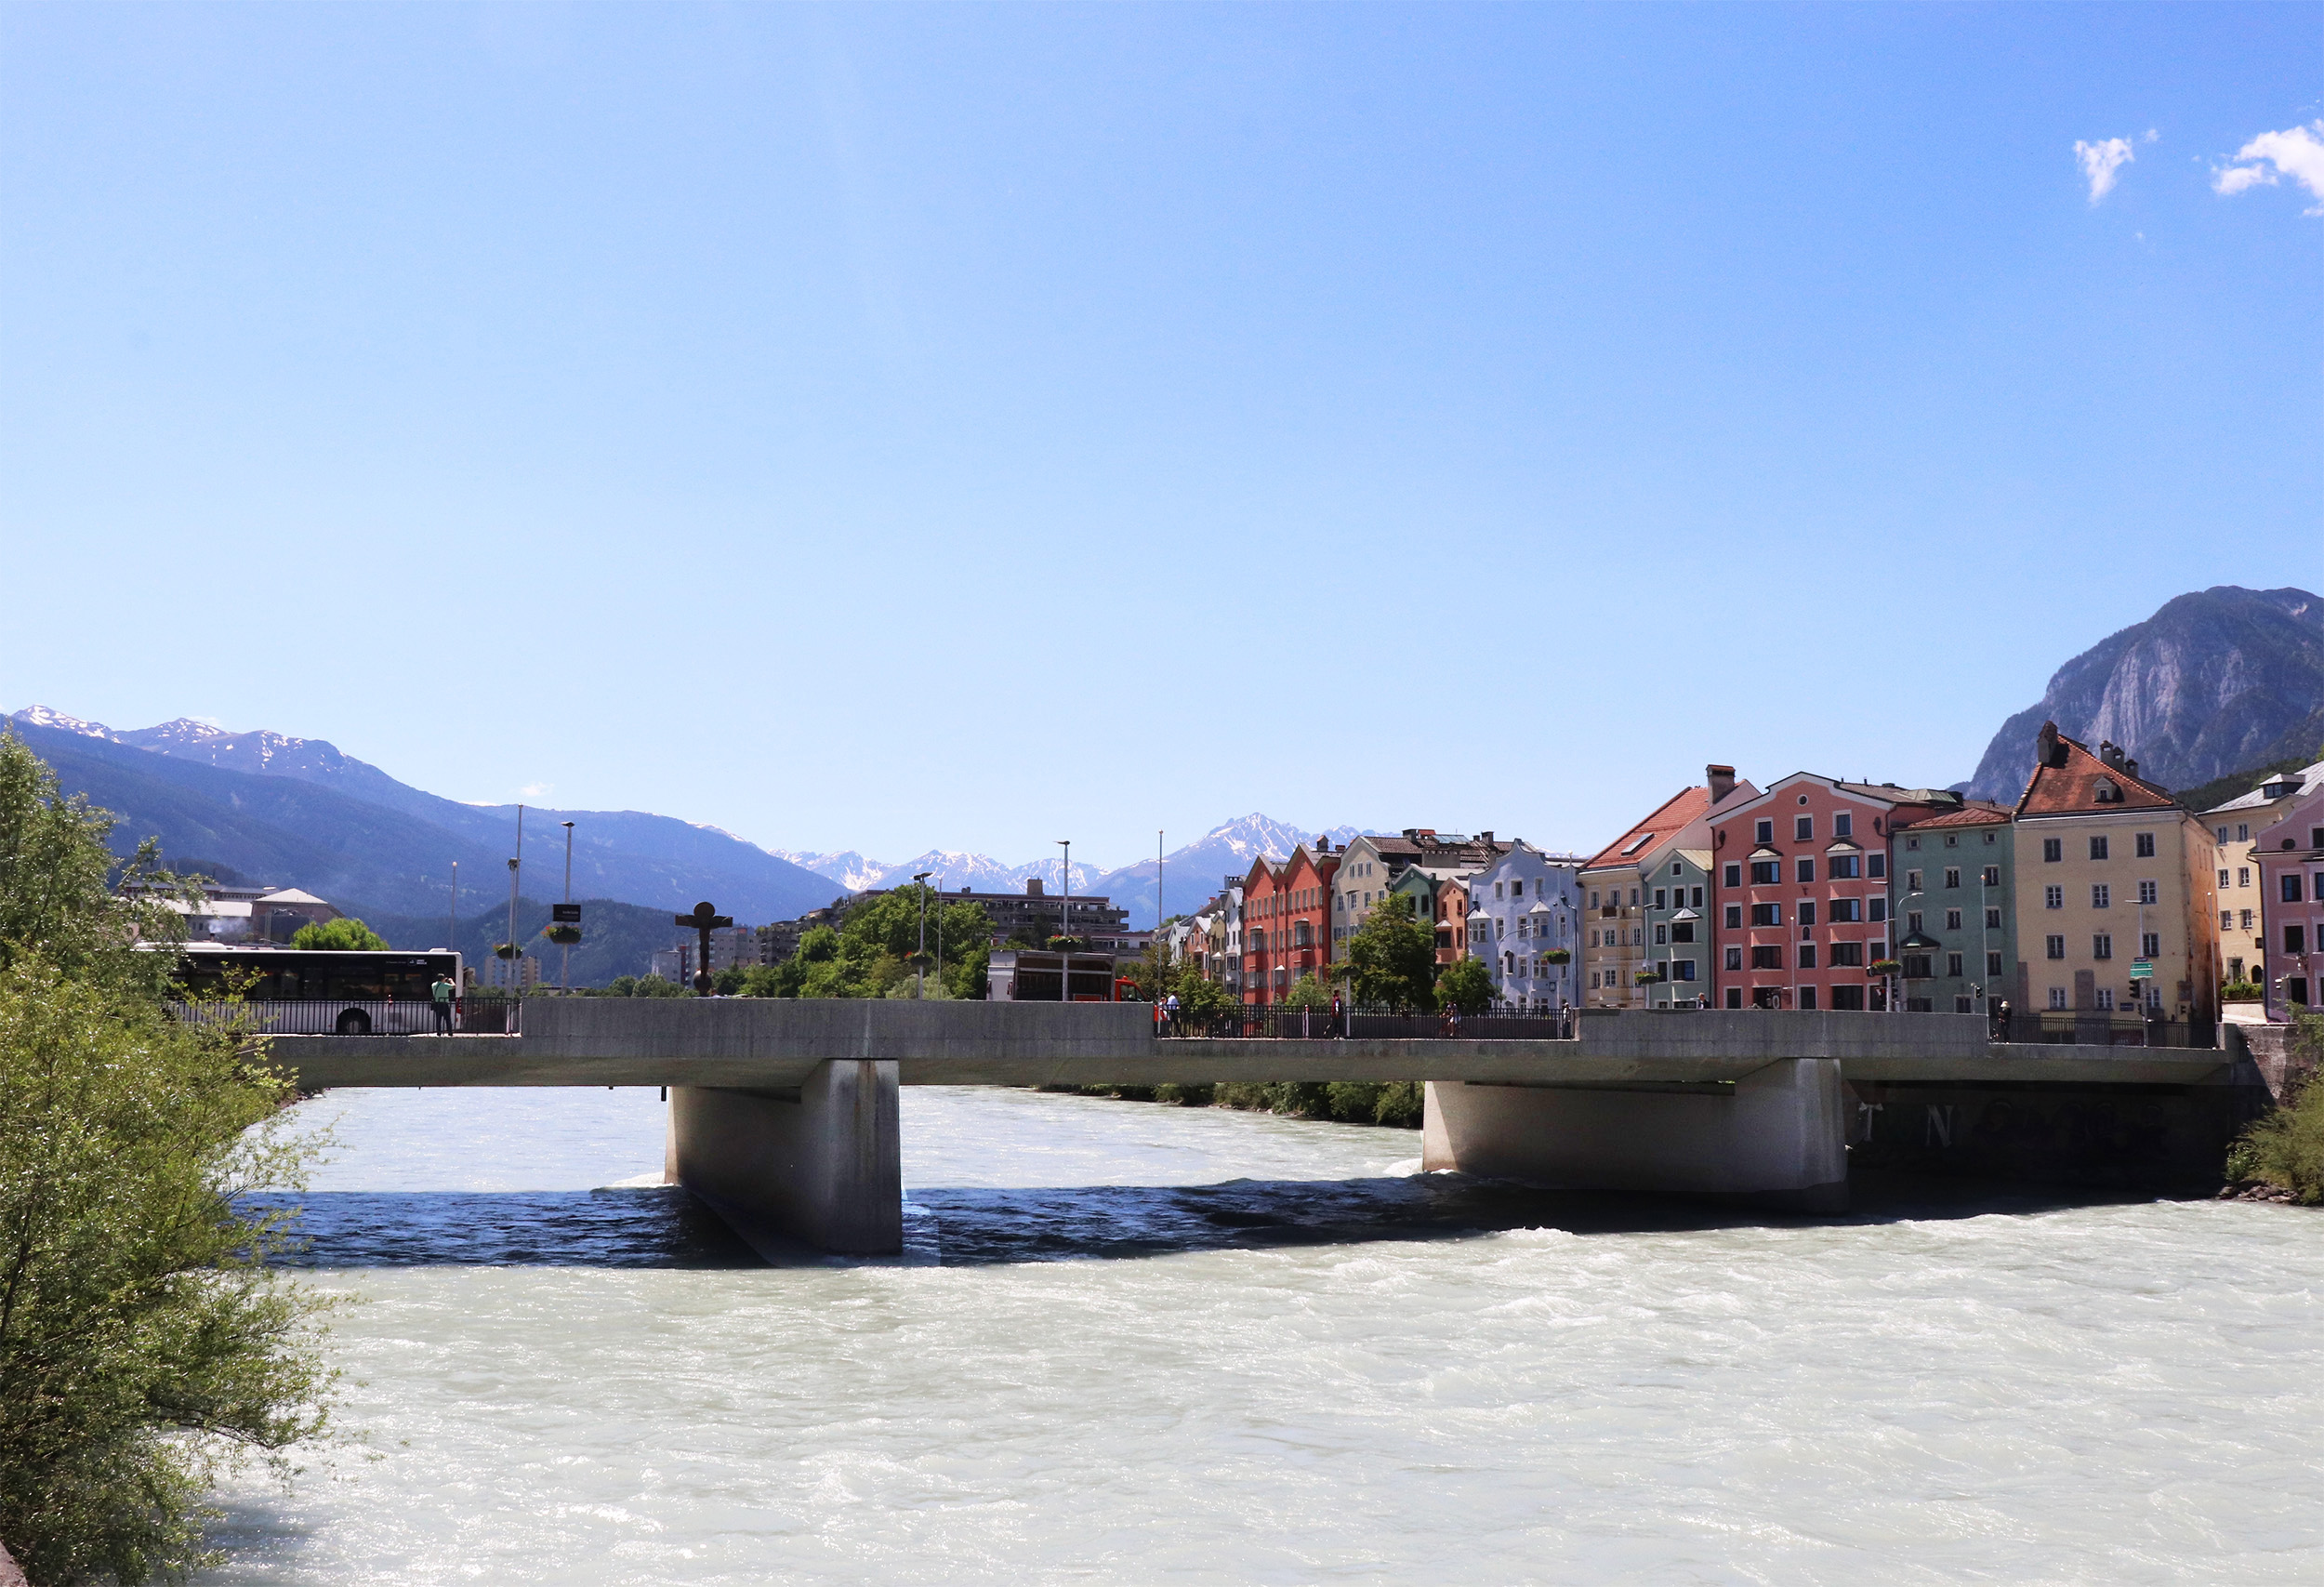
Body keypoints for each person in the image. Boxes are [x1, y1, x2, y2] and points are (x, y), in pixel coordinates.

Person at [430, 970, 456, 1035]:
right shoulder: (445, 985)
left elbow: (438, 984)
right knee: (447, 1018)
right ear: (442, 979)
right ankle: (450, 1032)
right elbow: (454, 986)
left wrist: (444, 980)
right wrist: (451, 980)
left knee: (438, 1019)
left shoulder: (433, 985)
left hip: (437, 1004)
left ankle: (439, 1032)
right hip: (444, 1004)